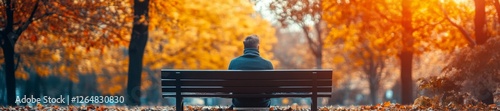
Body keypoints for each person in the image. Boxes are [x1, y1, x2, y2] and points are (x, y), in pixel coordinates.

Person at [228, 35, 274, 108]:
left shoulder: (233, 63)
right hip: (261, 104)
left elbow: (228, 87)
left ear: (244, 48)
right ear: (258, 47)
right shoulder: (267, 64)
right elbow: (271, 90)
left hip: (239, 104)